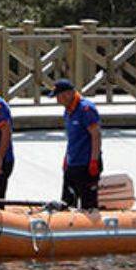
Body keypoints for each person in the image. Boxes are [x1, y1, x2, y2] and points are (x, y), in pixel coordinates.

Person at [50, 78, 102, 209]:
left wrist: (94, 161)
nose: (57, 101)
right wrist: (66, 158)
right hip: (72, 163)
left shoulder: (86, 109)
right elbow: (72, 138)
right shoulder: (68, 111)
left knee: (88, 204)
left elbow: (96, 135)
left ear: (68, 94)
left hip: (87, 164)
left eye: (58, 97)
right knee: (67, 202)